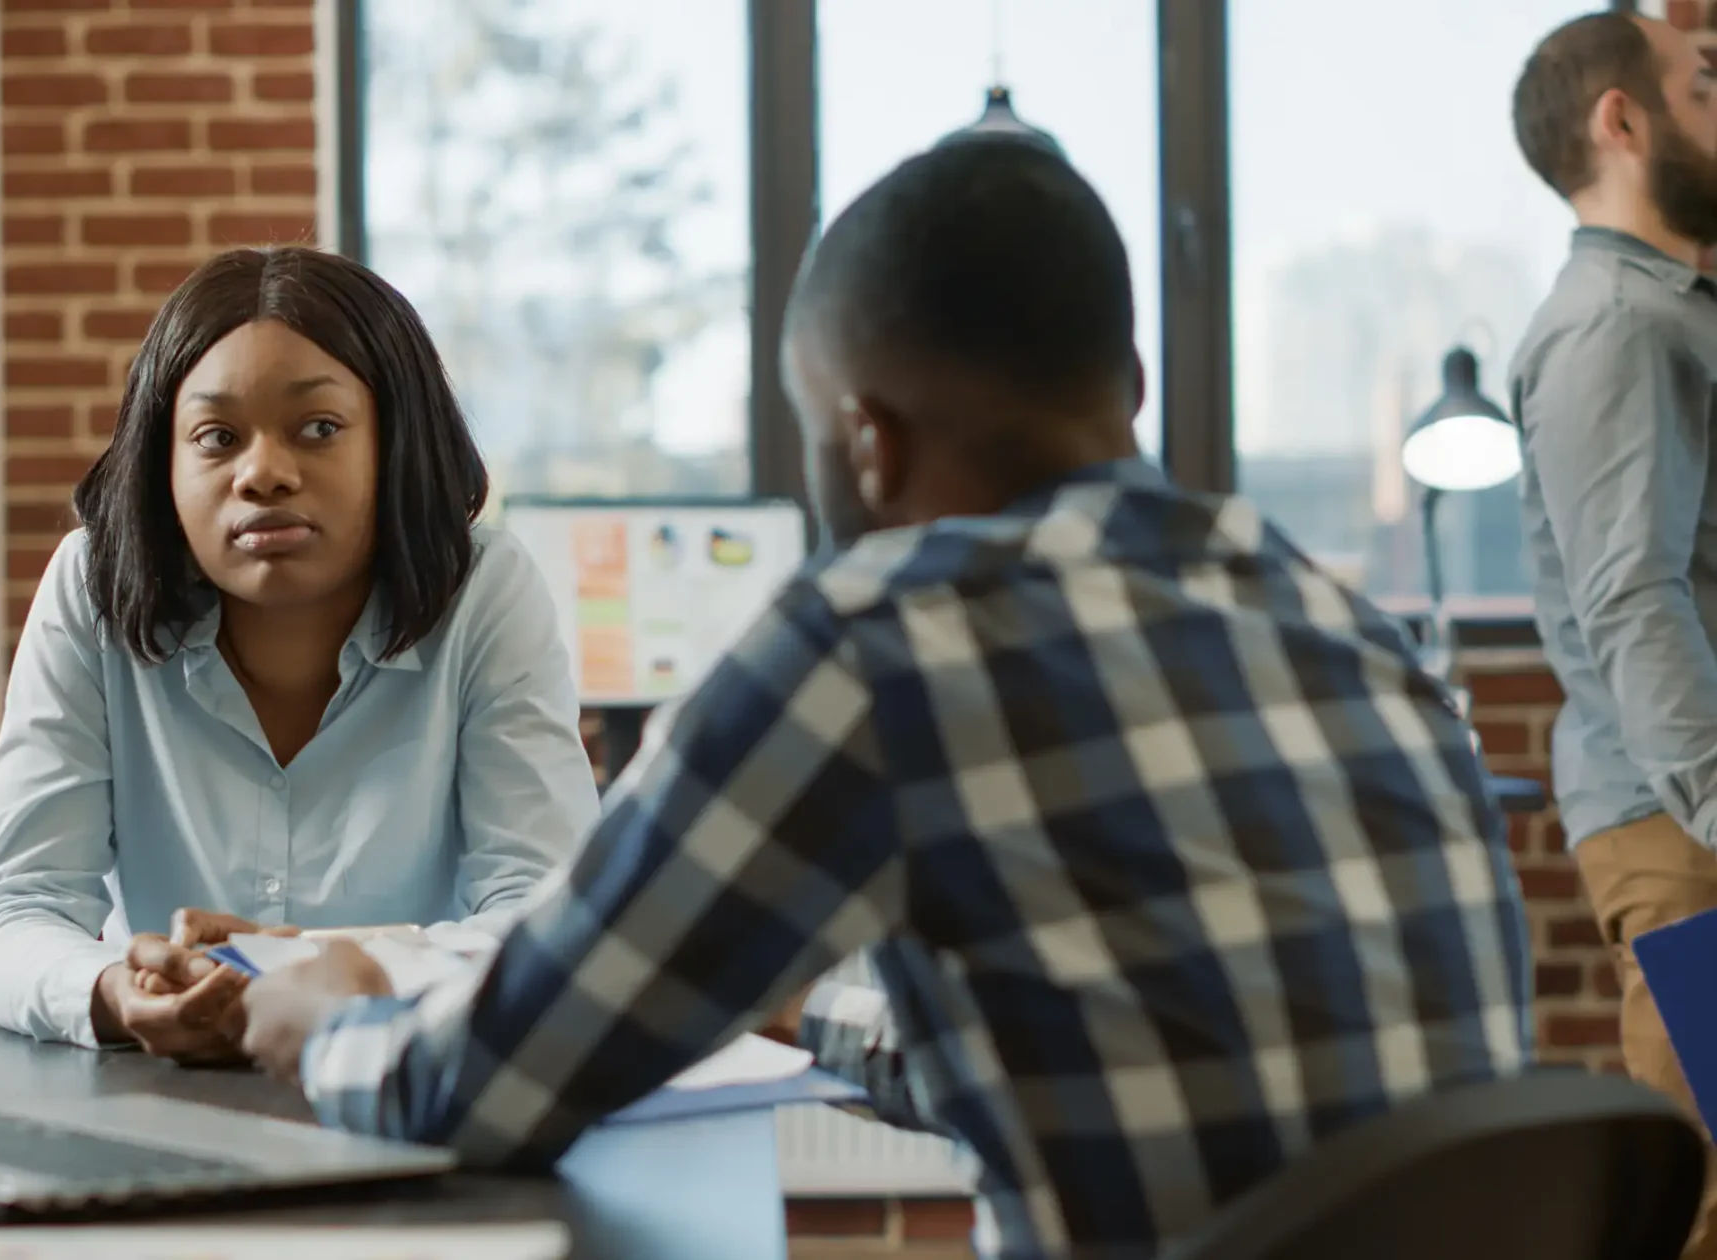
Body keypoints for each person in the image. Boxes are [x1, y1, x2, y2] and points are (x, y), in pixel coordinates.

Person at [231, 138, 1533, 1259]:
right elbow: (1161, 1041)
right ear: (1131, 390)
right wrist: (820, 1016)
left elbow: (493, 1086)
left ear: (866, 439)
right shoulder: (1331, 614)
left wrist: (328, 1021)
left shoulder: (882, 635)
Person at [0, 247, 600, 1063]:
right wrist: (114, 992)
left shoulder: (484, 591)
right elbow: (11, 910)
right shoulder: (93, 588)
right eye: (216, 436)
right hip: (154, 1100)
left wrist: (331, 976)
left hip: (411, 1084)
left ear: (396, 445)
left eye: (319, 428)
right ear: (165, 464)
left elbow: (554, 914)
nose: (263, 473)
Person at [1511, 12, 1717, 1255]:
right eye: (1706, 84)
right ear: (1622, 119)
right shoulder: (1612, 327)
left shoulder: (1672, 309)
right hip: (1681, 834)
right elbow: (1632, 596)